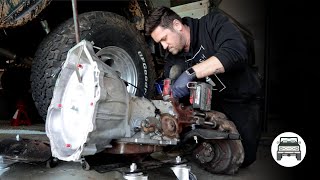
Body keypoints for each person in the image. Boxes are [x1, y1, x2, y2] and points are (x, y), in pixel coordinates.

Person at [145, 6, 262, 168]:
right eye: (160, 43)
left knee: (242, 158)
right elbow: (171, 97)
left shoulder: (212, 24)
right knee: (204, 155)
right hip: (208, 110)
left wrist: (191, 73)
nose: (164, 46)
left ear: (177, 25)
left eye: (164, 39)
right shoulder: (173, 58)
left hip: (239, 101)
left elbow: (236, 53)